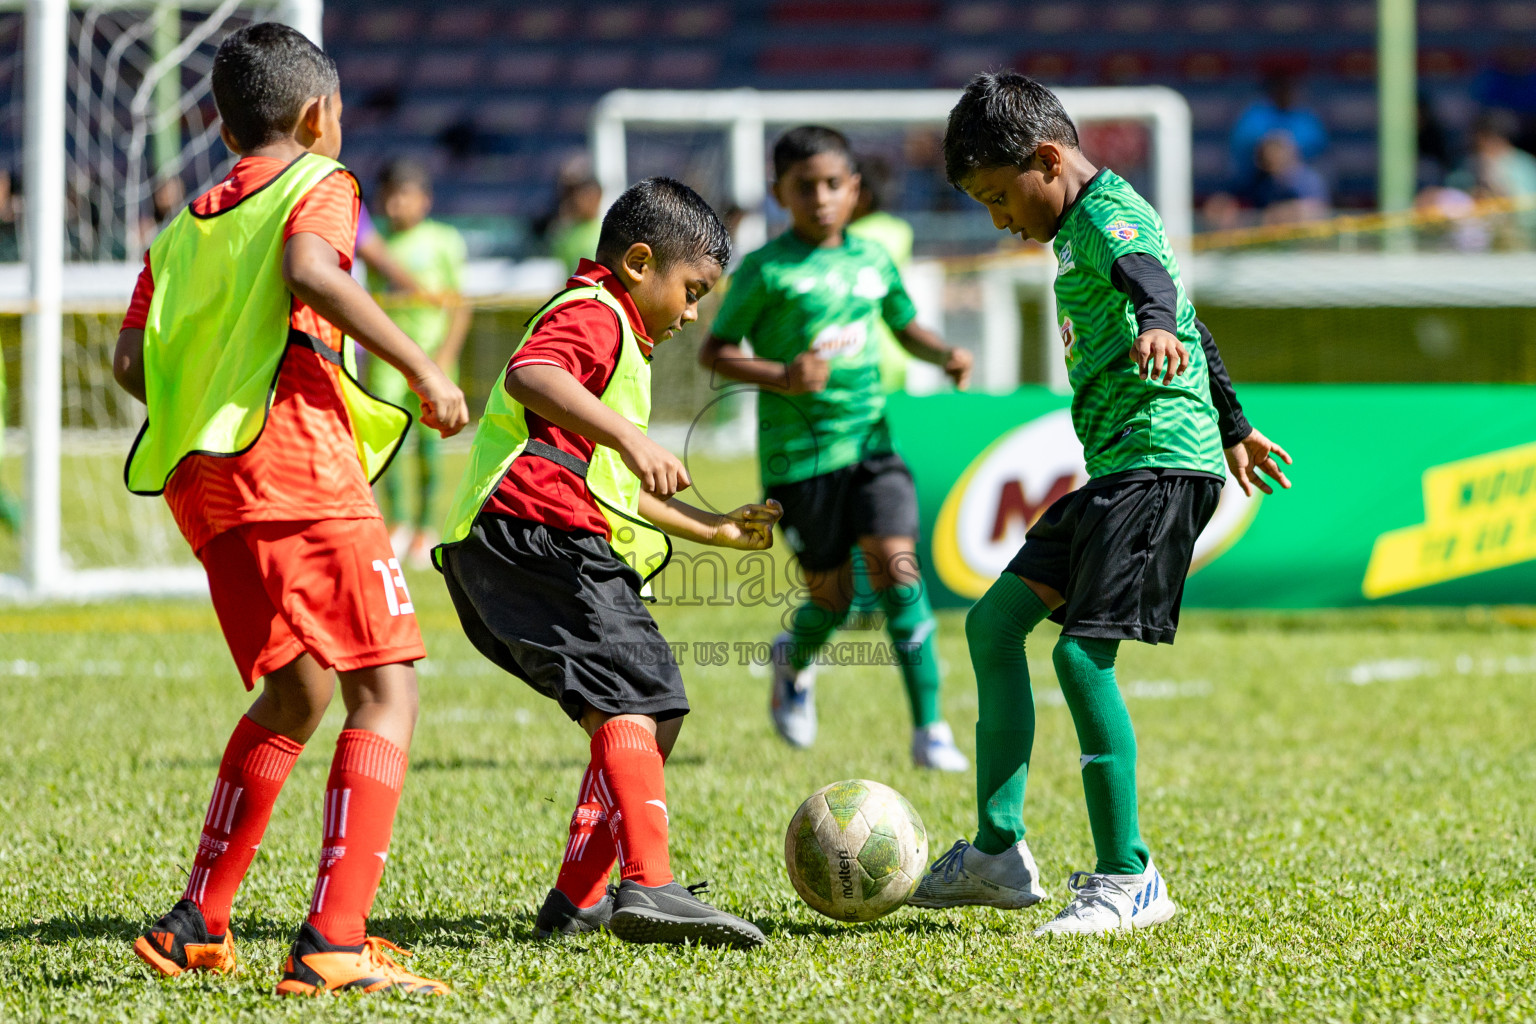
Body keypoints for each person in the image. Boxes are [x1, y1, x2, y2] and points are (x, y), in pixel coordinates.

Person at [112, 23, 468, 994]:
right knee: (386, 686)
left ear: (221, 128)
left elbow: (129, 362)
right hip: (301, 471)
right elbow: (311, 274)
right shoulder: (320, 183)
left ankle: (196, 918)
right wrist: (425, 366)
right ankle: (335, 941)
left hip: (208, 486)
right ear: (319, 118)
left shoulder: (179, 228)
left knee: (297, 690)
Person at [909, 72, 1292, 934]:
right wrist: (1235, 420)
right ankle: (998, 855)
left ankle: (1129, 878)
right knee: (994, 625)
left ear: (1047, 159)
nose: (999, 218)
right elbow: (1187, 315)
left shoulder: (1106, 216)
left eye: (1001, 196)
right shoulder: (1077, 225)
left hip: (1159, 466)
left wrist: (1155, 323)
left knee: (1083, 660)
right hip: (1124, 465)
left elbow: (1155, 286)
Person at [436, 177, 778, 949]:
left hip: (522, 541)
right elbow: (530, 375)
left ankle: (578, 899)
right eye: (691, 290)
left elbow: (611, 483)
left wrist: (714, 531)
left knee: (638, 713)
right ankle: (648, 886)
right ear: (637, 262)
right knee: (643, 698)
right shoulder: (595, 314)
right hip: (535, 533)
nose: (692, 314)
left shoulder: (620, 336)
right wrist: (631, 436)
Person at [699, 126, 975, 771]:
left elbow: (904, 326)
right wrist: (782, 375)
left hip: (872, 444)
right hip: (800, 460)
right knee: (834, 597)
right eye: (804, 187)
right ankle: (793, 658)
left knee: (897, 571)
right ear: (778, 194)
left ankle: (930, 731)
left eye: (832, 185)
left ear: (854, 190)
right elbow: (716, 352)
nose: (820, 198)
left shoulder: (873, 261)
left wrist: (944, 352)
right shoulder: (766, 271)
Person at [366, 158, 472, 566]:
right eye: (389, 197)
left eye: (404, 196)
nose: (395, 205)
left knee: (430, 443)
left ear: (424, 201)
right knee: (387, 442)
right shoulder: (377, 246)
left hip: (433, 360)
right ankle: (397, 523)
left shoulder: (443, 241)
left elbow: (460, 305)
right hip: (388, 363)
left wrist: (446, 354)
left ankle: (425, 527)